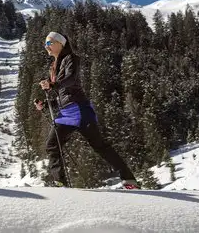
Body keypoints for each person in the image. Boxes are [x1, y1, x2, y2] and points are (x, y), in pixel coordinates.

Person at [35, 31, 139, 189]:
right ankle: (60, 182)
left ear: (60, 43)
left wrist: (52, 85)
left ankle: (129, 179)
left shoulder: (71, 58)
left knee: (99, 146)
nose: (46, 47)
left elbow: (71, 80)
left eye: (49, 43)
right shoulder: (54, 67)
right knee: (52, 145)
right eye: (45, 44)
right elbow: (62, 94)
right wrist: (46, 104)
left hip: (80, 109)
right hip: (66, 113)